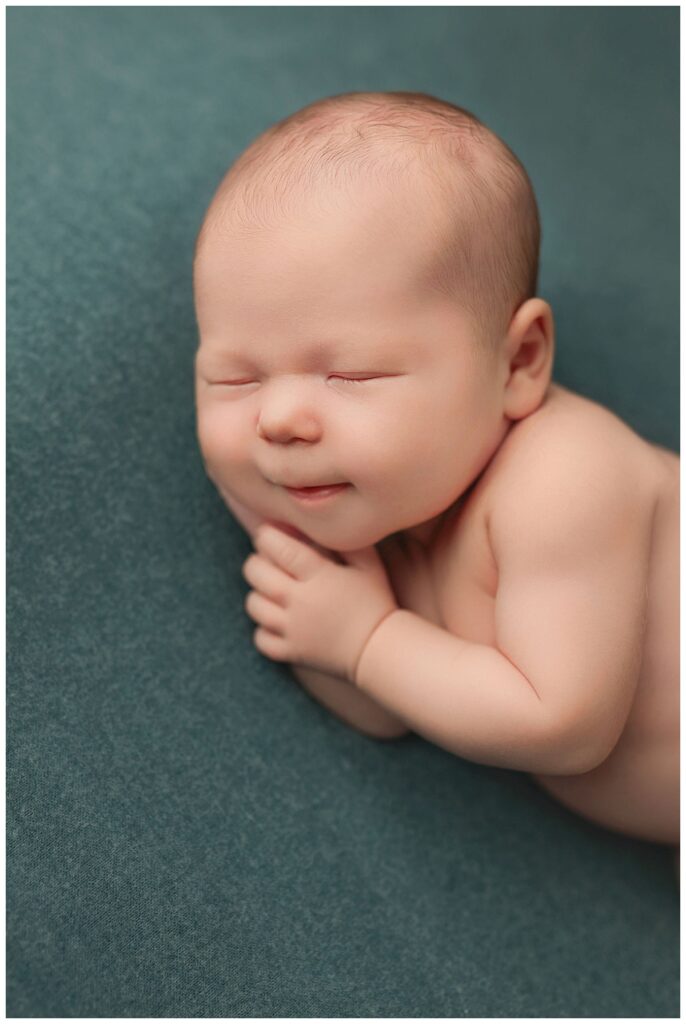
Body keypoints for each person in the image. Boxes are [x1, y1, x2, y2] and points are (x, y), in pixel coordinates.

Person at [192, 92, 679, 864]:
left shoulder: (564, 475)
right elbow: (389, 710)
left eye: (350, 374)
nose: (277, 419)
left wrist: (368, 641)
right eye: (234, 381)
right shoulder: (400, 518)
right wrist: (274, 529)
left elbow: (563, 723)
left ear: (518, 363)